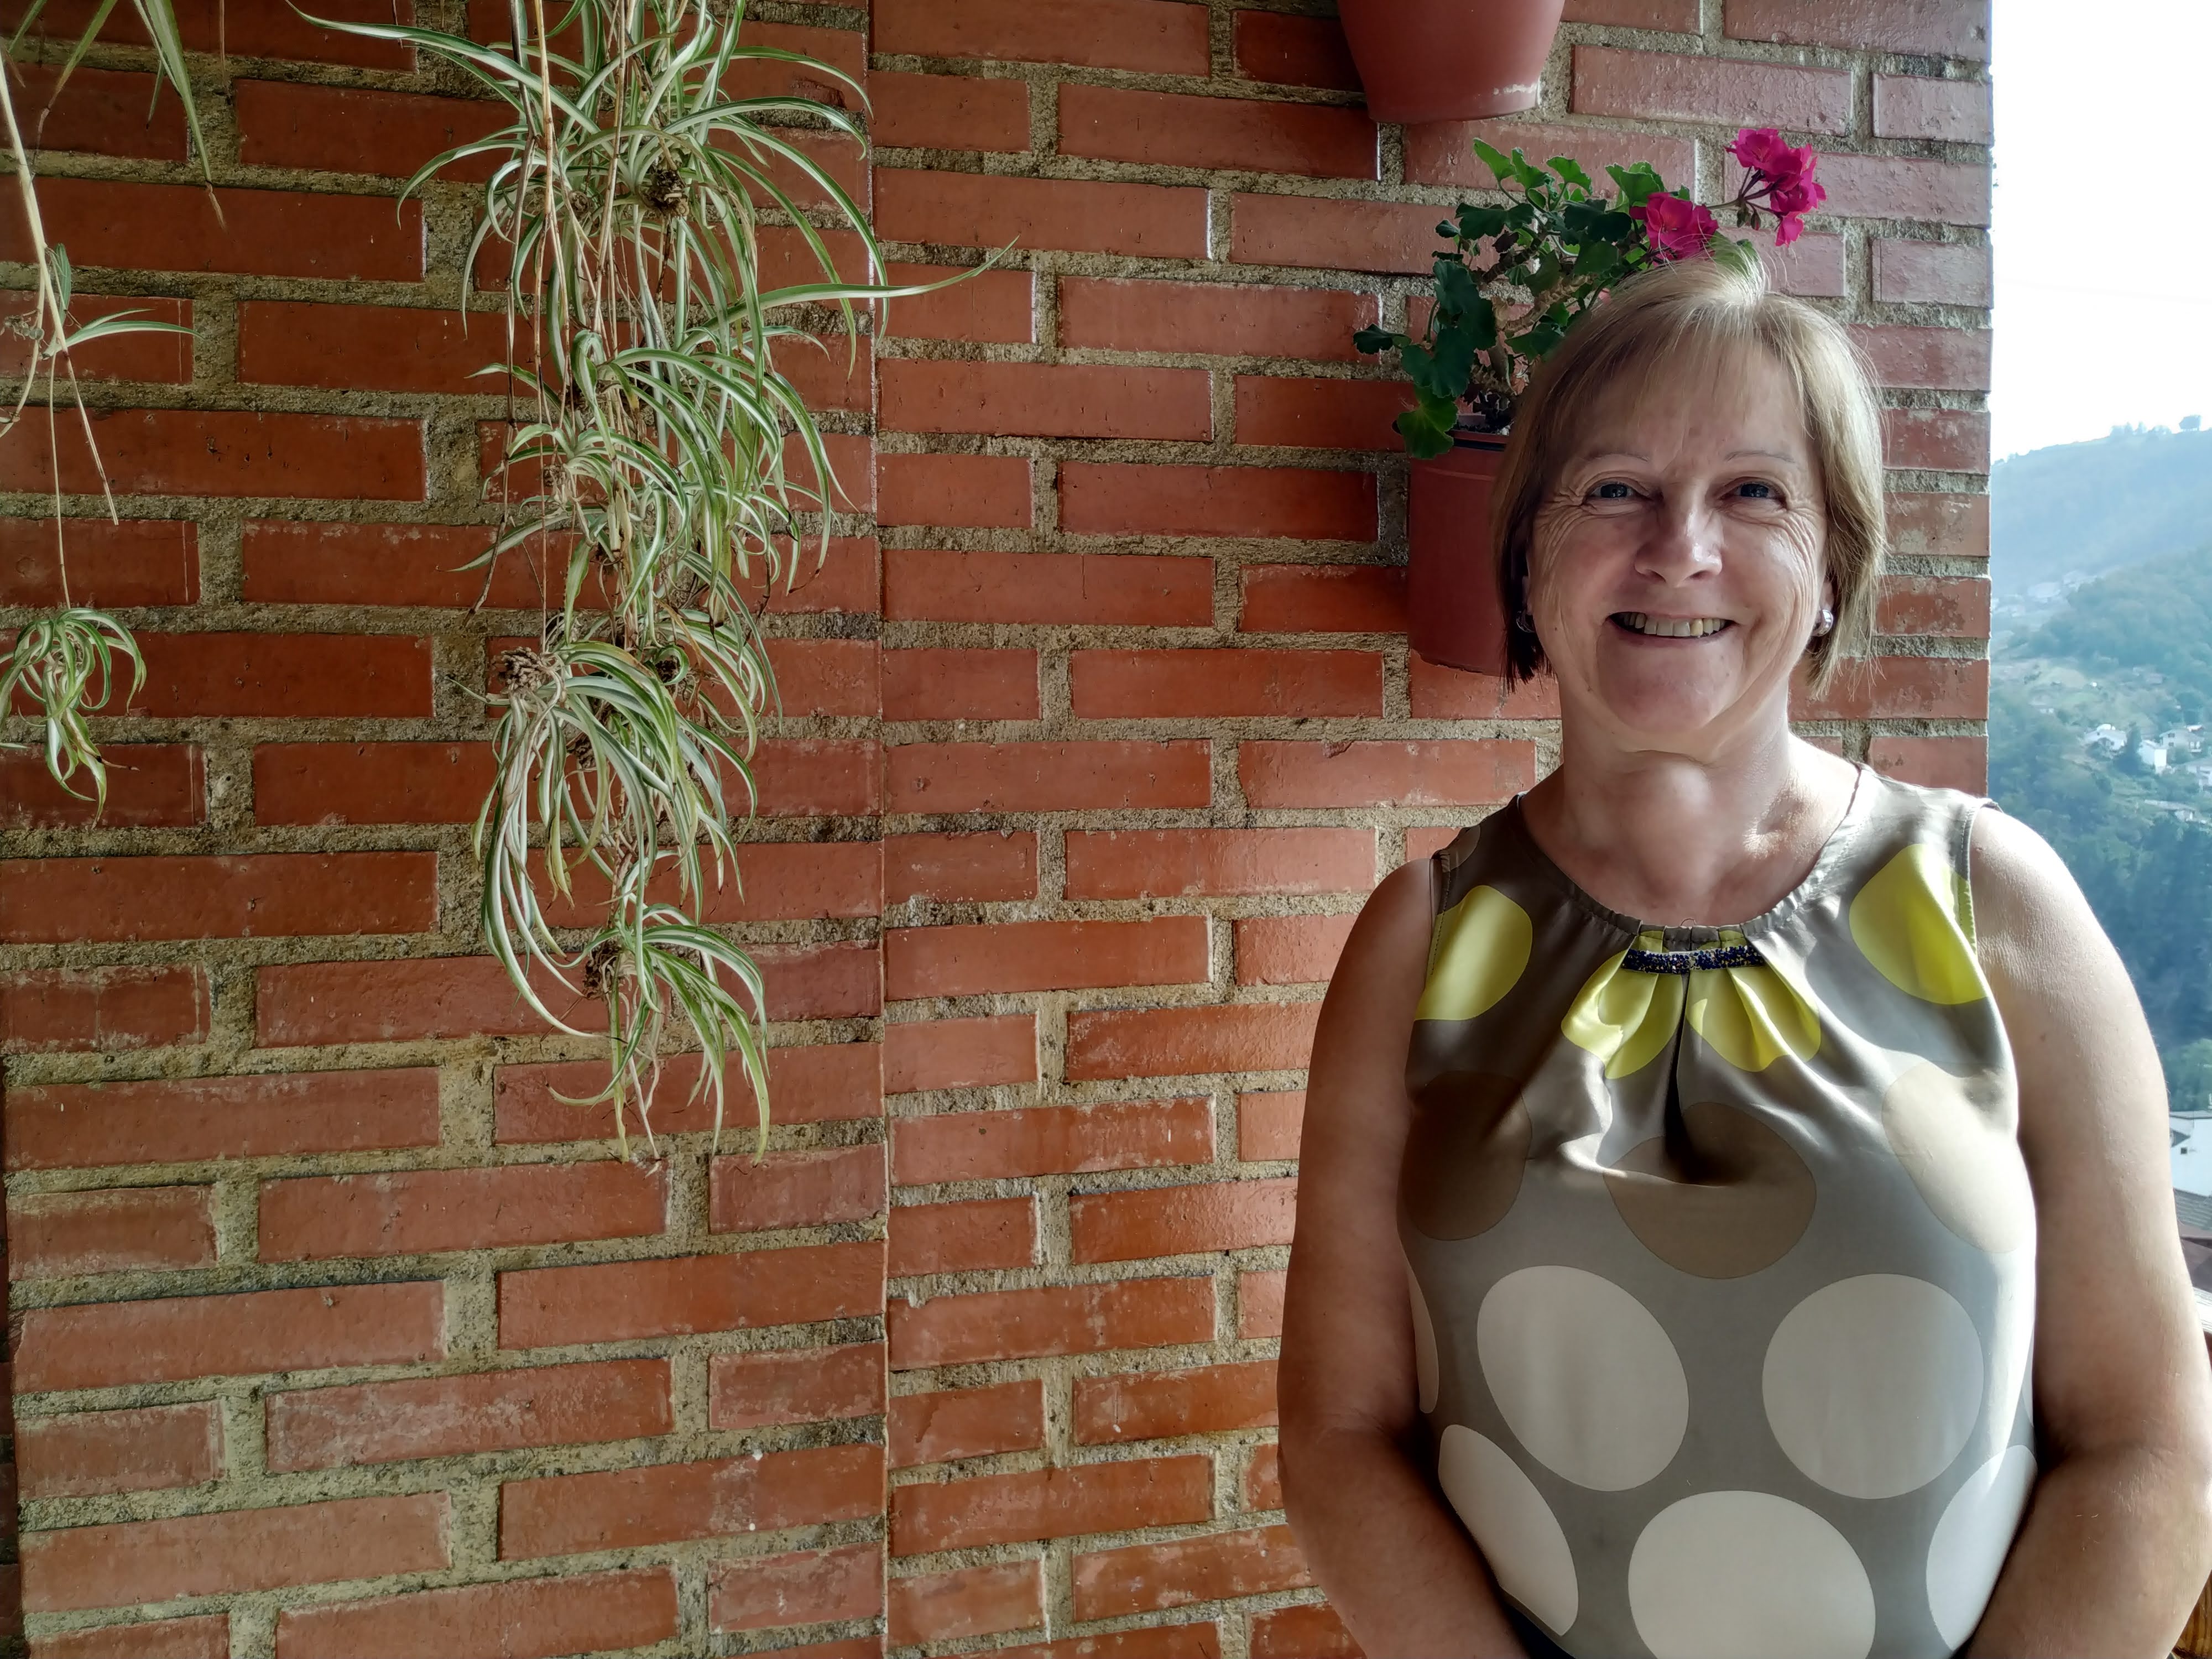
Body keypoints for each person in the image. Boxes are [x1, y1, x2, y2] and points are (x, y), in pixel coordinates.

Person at [1277, 255, 2212, 1658]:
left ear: (1830, 570)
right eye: (1613, 489)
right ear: (1526, 559)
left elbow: (2145, 1446)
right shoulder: (1418, 939)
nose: (1679, 548)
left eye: (1753, 493)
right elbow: (1339, 1436)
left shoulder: (1993, 900)